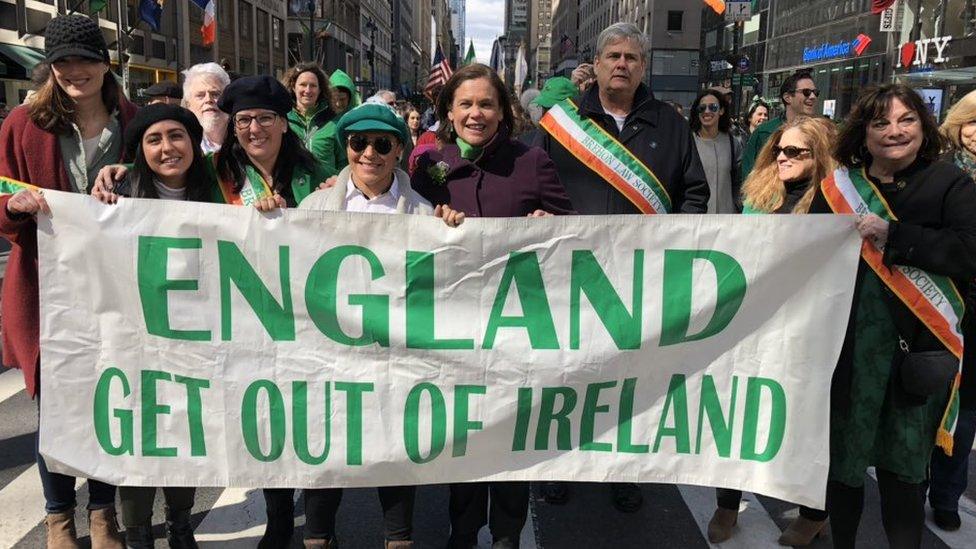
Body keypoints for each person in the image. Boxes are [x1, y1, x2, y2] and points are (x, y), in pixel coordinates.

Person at [533, 21, 708, 512]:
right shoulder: (560, 123)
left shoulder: (671, 125)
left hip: (640, 282)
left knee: (630, 381)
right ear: (599, 62)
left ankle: (624, 471)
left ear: (643, 66)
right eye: (614, 56)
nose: (622, 65)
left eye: (632, 58)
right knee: (568, 376)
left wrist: (673, 241)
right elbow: (532, 187)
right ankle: (560, 465)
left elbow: (695, 194)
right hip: (572, 278)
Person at [411, 63, 574, 548]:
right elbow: (400, 231)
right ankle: (462, 533)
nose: (475, 113)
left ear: (504, 111)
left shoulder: (532, 162)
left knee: (510, 440)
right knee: (463, 444)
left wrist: (549, 223)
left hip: (515, 335)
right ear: (449, 111)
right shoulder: (429, 165)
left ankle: (506, 535)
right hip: (455, 333)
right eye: (465, 104)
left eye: (486, 104)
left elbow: (574, 232)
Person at [808, 84, 976, 548]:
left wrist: (895, 235)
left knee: (903, 478)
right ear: (863, 133)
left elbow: (969, 251)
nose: (894, 131)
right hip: (846, 356)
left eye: (906, 120)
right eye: (880, 122)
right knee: (843, 470)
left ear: (924, 126)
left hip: (912, 359)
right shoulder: (838, 188)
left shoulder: (950, 184)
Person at [0, 13, 136, 548]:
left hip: (117, 289)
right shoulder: (22, 125)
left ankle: (103, 515)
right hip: (48, 287)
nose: (74, 71)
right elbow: (0, 196)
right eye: (63, 62)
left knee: (108, 403)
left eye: (85, 60)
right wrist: (14, 206)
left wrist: (132, 179)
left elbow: (163, 181)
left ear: (106, 64)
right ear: (51, 68)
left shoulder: (135, 122)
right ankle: (60, 519)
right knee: (56, 409)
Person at [707, 116, 837, 545]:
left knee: (805, 419)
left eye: (795, 152)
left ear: (818, 155)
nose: (782, 157)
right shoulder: (759, 196)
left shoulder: (837, 202)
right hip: (755, 324)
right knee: (741, 413)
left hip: (810, 327)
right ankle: (727, 504)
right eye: (779, 150)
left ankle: (813, 512)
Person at [91, 104, 211, 549]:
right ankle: (138, 532)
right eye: (154, 139)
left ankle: (181, 525)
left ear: (193, 144)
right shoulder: (119, 195)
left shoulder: (215, 191)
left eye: (177, 136)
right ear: (140, 150)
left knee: (185, 435)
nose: (167, 147)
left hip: (196, 338)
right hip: (135, 339)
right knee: (139, 438)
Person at [928, 89, 976, 531]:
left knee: (967, 414)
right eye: (973, 123)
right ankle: (918, 481)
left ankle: (946, 494)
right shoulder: (940, 175)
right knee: (931, 400)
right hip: (938, 302)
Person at [741, 70, 818, 180]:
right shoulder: (764, 132)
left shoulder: (821, 133)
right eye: (806, 92)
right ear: (787, 97)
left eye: (816, 92)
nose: (812, 96)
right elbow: (748, 175)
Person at [282, 62, 340, 176]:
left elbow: (344, 162)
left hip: (325, 190)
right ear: (293, 87)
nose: (308, 90)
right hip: (289, 190)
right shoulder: (282, 120)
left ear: (320, 90)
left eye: (313, 86)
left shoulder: (334, 122)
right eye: (303, 84)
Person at [689, 89, 742, 213]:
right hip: (696, 218)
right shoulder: (688, 142)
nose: (707, 111)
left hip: (726, 219)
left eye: (713, 107)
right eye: (702, 108)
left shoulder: (732, 143)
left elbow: (739, 180)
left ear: (721, 111)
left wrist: (737, 205)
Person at [182, 62, 232, 154]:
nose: (208, 100)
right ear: (188, 104)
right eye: (200, 95)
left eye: (215, 94)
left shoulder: (245, 139)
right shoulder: (183, 146)